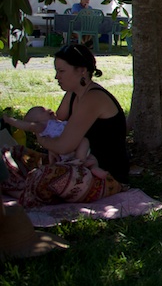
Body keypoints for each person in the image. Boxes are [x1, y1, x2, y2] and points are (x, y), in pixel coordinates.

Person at [1, 44, 127, 206]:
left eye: (61, 71)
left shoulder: (93, 98)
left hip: (102, 173)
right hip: (73, 164)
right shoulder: (74, 93)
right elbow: (55, 120)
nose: (56, 77)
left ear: (82, 70)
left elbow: (63, 146)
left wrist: (41, 138)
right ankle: (22, 188)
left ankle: (23, 190)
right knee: (10, 157)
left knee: (45, 177)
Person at [2, 106, 98, 171]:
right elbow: (28, 126)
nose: (48, 110)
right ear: (37, 122)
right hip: (70, 148)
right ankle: (80, 161)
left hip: (71, 149)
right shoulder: (43, 126)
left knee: (93, 159)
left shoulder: (57, 122)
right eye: (43, 111)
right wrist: (10, 120)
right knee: (84, 141)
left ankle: (94, 169)